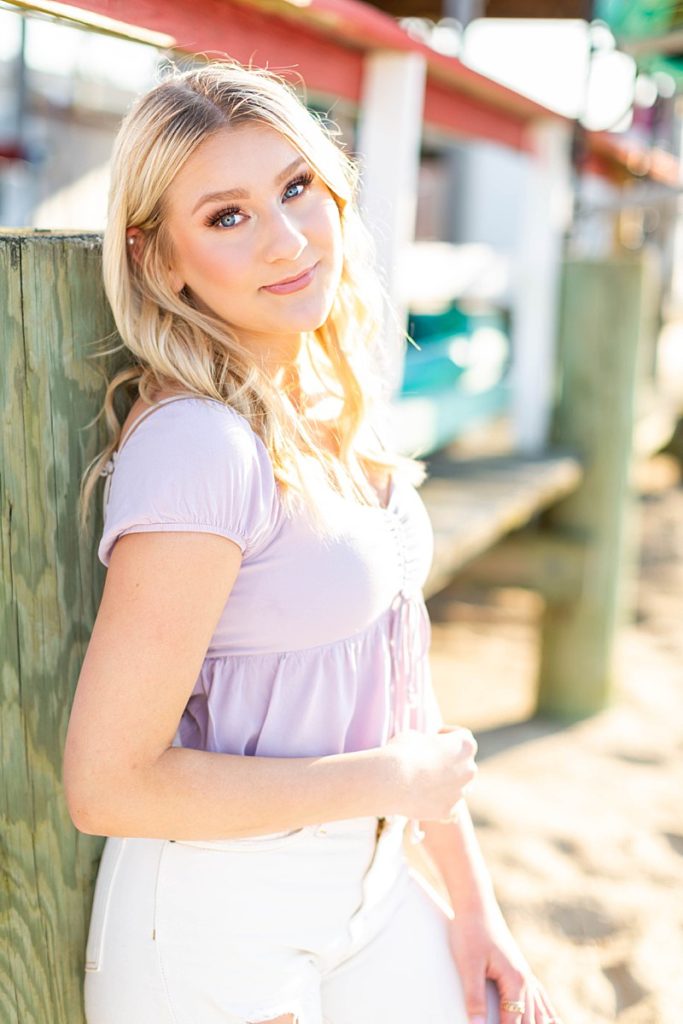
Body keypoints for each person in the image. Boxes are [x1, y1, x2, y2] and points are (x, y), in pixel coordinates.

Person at [63, 58, 562, 1024]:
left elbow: (393, 677)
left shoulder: (333, 408)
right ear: (160, 259)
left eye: (297, 188)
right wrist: (389, 783)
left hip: (368, 886)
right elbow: (109, 785)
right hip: (217, 921)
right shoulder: (200, 446)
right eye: (226, 216)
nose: (288, 239)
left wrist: (473, 905)